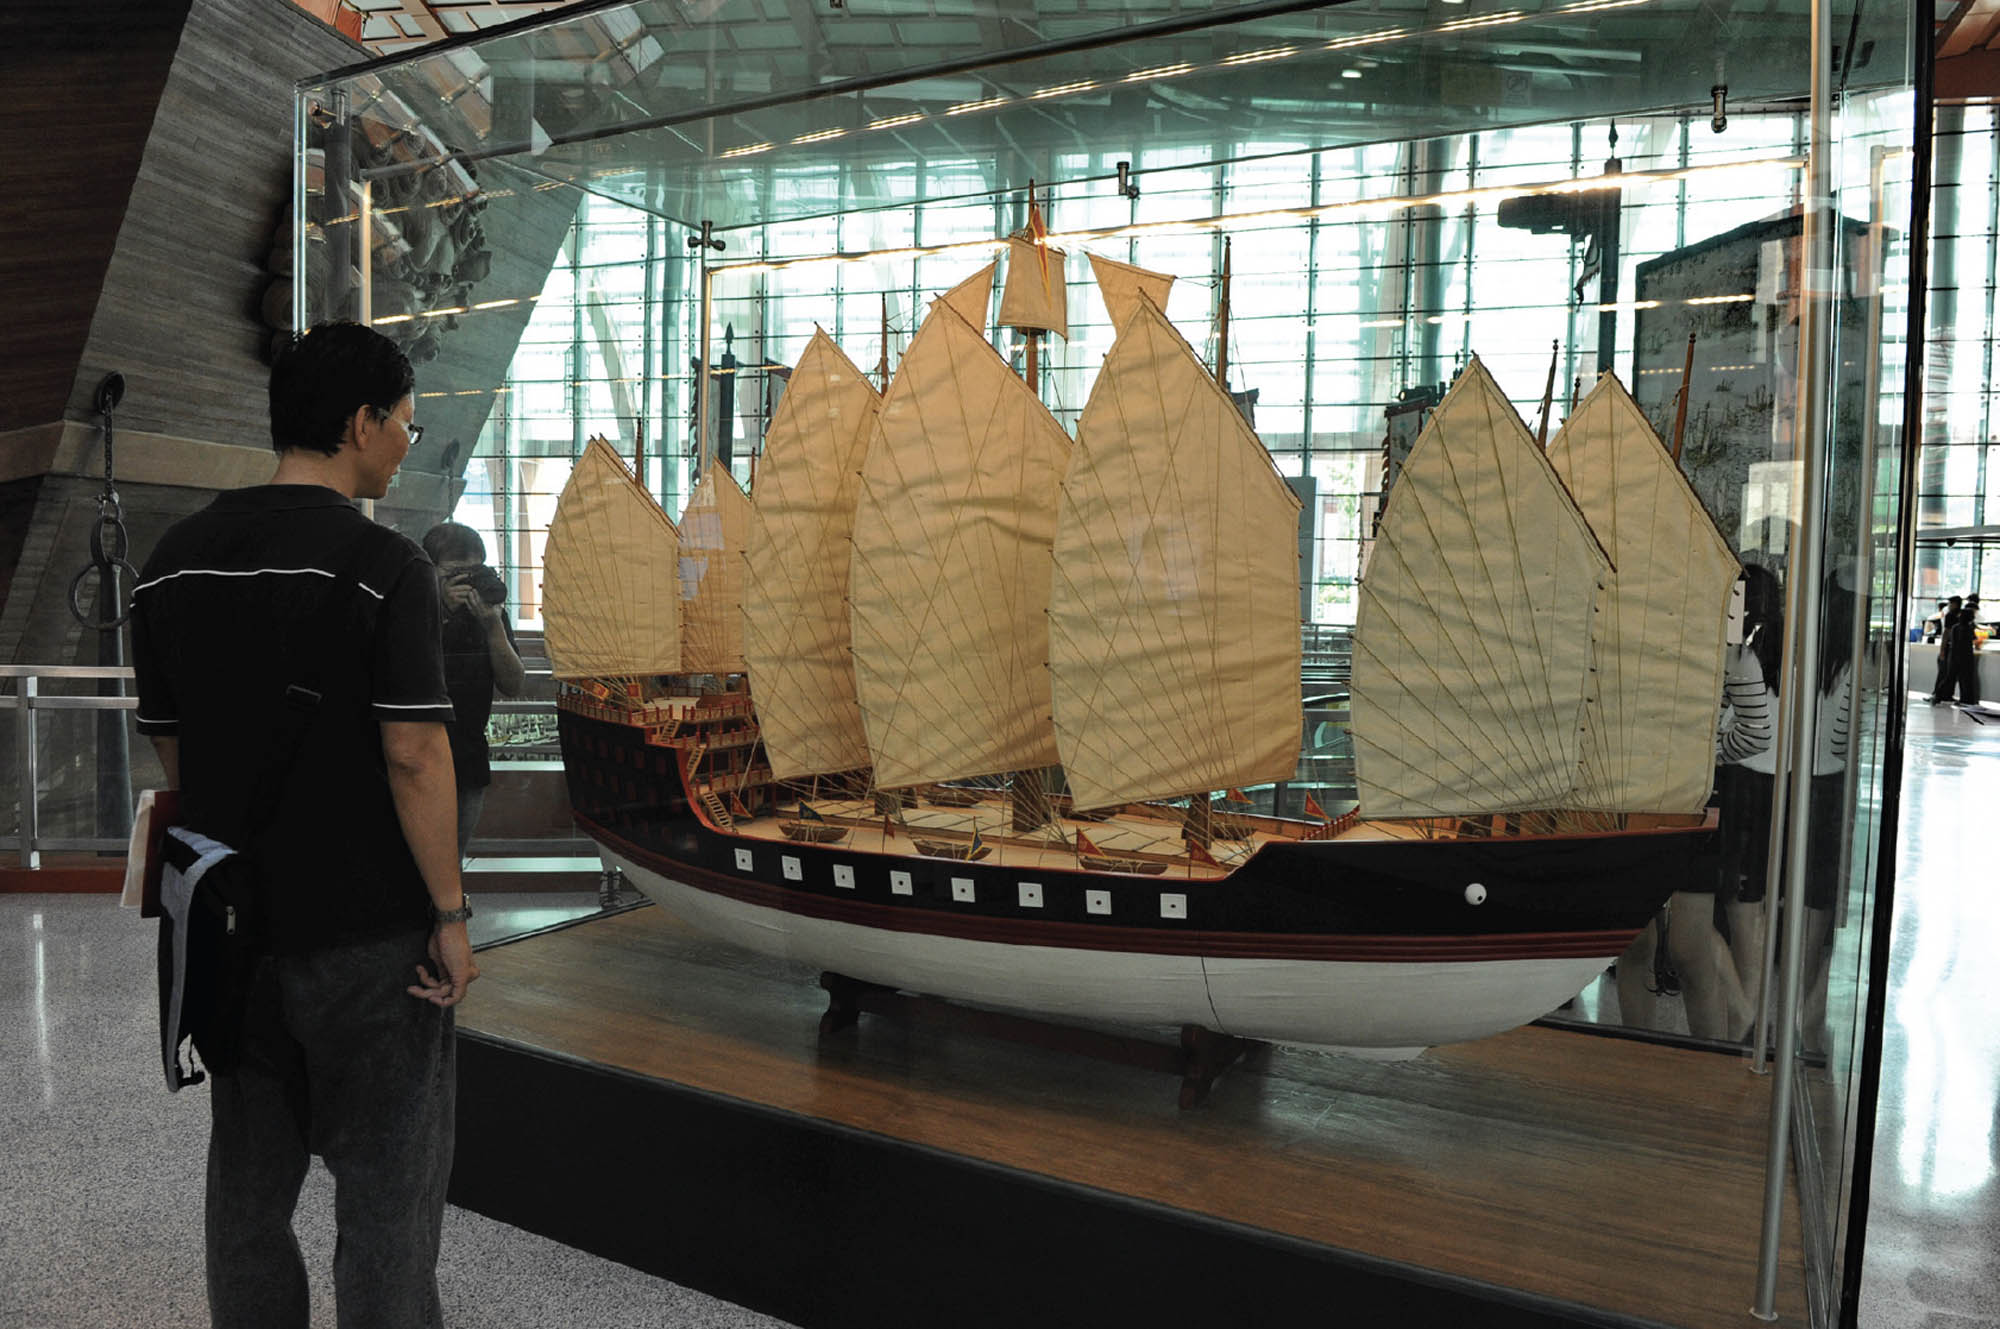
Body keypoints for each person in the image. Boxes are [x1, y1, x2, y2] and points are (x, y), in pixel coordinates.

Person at [130, 321, 477, 1329]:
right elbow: (415, 753)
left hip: (231, 929)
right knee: (385, 1191)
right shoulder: (381, 565)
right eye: (404, 425)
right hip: (370, 936)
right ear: (361, 420)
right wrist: (450, 912)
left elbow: (176, 754)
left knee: (248, 1181)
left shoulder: (172, 560)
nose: (406, 443)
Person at [422, 521, 526, 856]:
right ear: (430, 570)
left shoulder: (486, 612)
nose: (466, 582)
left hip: (467, 755)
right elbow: (409, 671)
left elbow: (512, 684)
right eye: (455, 572)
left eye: (474, 572)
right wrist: (443, 613)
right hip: (418, 754)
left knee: (452, 858)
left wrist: (493, 625)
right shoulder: (411, 609)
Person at [1931, 594, 1964, 703]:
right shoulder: (1956, 615)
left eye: (1950, 603)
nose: (1949, 606)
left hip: (1951, 647)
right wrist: (1942, 650)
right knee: (1945, 672)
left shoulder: (1952, 615)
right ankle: (1938, 694)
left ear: (1955, 604)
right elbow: (1946, 633)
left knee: (1949, 673)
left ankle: (1945, 694)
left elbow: (1946, 633)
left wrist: (1942, 650)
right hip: (1952, 647)